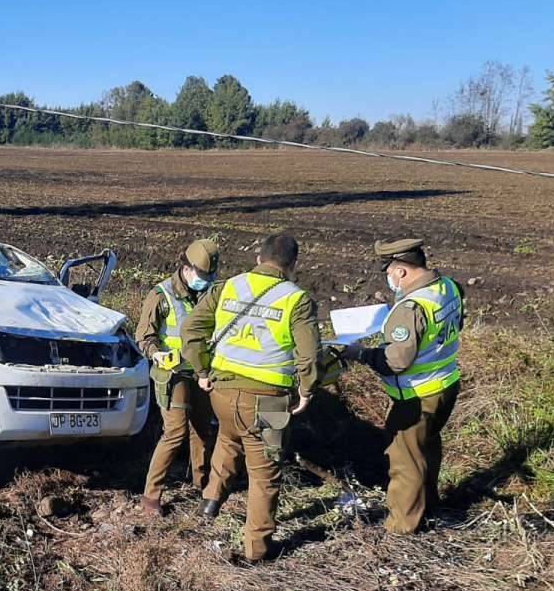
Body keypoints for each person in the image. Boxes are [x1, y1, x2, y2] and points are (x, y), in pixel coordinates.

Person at [180, 234, 321, 562]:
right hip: (268, 400)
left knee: (228, 441)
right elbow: (309, 357)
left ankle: (210, 501)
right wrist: (307, 390)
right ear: (292, 265)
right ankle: (257, 550)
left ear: (259, 258)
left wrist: (202, 371)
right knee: (265, 472)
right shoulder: (297, 300)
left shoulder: (228, 287)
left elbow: (190, 331)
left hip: (223, 392)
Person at [341, 238, 464, 535]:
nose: (389, 279)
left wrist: (360, 353)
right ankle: (430, 505)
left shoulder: (411, 307)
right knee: (427, 446)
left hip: (417, 396)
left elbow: (396, 362)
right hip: (446, 384)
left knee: (404, 459)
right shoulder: (448, 286)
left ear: (402, 272)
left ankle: (402, 527)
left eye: (389, 272)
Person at [136, 239, 220, 517]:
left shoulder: (211, 293)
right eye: (203, 275)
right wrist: (156, 354)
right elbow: (144, 337)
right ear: (186, 269)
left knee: (203, 430)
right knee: (175, 432)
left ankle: (202, 485)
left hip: (201, 371)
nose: (206, 281)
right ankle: (151, 496)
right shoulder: (161, 295)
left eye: (211, 277)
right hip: (171, 373)